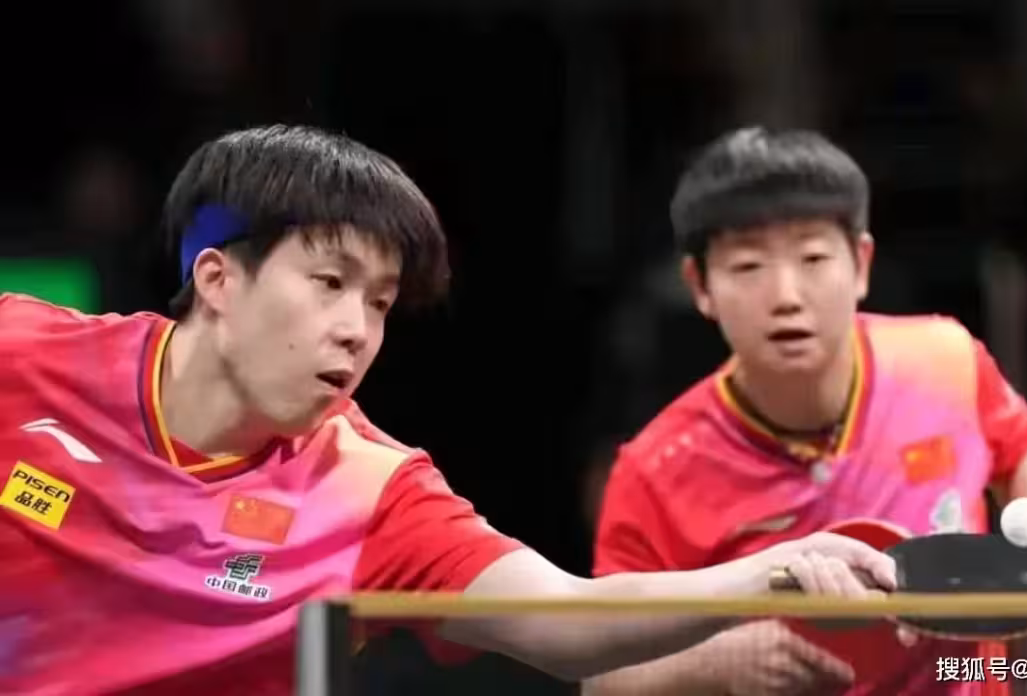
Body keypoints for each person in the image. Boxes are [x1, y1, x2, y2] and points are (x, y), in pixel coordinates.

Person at [0, 125, 897, 695]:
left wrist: (764, 573)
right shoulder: (26, 358)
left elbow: (566, 619)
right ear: (217, 278)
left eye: (380, 302)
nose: (356, 330)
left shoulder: (370, 493)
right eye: (329, 282)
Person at [583, 127, 1027, 696]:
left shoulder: (943, 359)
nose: (786, 296)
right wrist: (715, 665)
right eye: (749, 267)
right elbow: (604, 677)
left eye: (813, 258)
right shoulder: (654, 471)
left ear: (860, 265)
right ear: (700, 286)